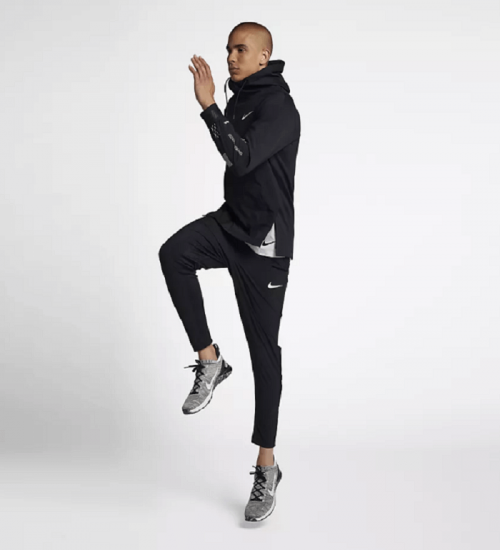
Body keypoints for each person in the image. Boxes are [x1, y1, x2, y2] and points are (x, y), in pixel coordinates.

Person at [158, 21, 300, 522]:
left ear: (263, 56)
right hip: (232, 225)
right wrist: (217, 107)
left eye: (241, 50)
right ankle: (210, 360)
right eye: (228, 50)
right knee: (174, 253)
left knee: (265, 355)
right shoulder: (240, 99)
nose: (231, 58)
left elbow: (240, 160)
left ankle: (267, 466)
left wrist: (208, 108)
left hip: (265, 247)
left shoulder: (280, 107)